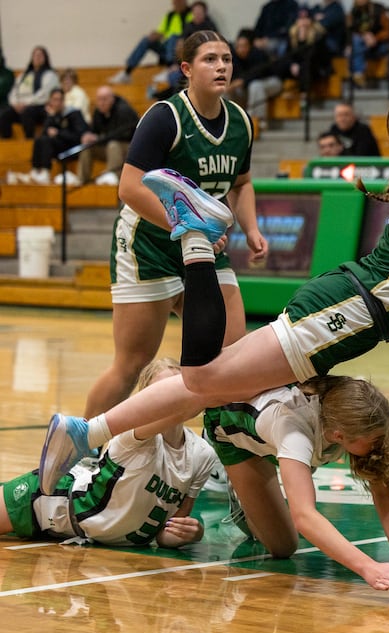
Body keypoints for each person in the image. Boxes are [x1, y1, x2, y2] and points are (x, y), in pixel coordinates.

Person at [39, 75, 389, 520]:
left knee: (212, 384)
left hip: (346, 305)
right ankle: (195, 238)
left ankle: (88, 432)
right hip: (347, 312)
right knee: (204, 378)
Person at [81, 30, 268, 421]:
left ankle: (222, 447)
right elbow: (129, 187)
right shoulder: (164, 118)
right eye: (210, 59)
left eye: (226, 59)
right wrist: (189, 228)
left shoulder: (241, 122)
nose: (221, 66)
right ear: (187, 69)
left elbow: (242, 182)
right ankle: (80, 444)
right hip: (149, 245)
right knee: (132, 363)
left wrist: (251, 229)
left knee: (233, 359)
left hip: (203, 247)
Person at [203, 374, 389, 591]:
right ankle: (239, 491)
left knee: (284, 543)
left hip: (274, 433)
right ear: (339, 436)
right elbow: (304, 516)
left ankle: (256, 490)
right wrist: (368, 567)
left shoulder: (357, 408)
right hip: (231, 429)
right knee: (282, 546)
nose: (382, 444)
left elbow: (383, 491)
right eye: (376, 439)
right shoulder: (293, 432)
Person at [1, 358, 215, 547]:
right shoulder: (133, 434)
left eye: (175, 388)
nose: (170, 397)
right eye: (161, 391)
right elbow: (179, 411)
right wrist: (208, 392)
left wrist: (192, 534)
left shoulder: (202, 454)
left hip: (79, 535)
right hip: (49, 502)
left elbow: (166, 534)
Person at [108, 0, 193, 84]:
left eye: (179, 2)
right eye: (174, 2)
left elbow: (191, 33)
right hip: (166, 48)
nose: (176, 4)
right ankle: (127, 72)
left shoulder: (190, 15)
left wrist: (180, 39)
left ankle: (170, 69)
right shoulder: (170, 15)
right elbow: (161, 31)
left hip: (181, 49)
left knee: (173, 37)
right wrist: (154, 35)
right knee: (146, 40)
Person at [77, 86, 139, 186]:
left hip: (130, 149)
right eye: (99, 99)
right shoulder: (98, 111)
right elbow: (94, 132)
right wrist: (88, 136)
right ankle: (82, 180)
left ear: (112, 99)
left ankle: (113, 179)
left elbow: (124, 134)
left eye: (104, 99)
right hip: (108, 146)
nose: (101, 103)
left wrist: (99, 138)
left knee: (113, 145)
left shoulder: (124, 110)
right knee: (87, 147)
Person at [27, 87, 89, 186]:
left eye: (60, 99)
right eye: (55, 100)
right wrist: (51, 117)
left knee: (47, 141)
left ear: (64, 100)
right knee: (39, 140)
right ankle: (35, 170)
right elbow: (45, 132)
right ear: (50, 101)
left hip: (72, 148)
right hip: (57, 148)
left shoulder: (74, 114)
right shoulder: (53, 115)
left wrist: (59, 133)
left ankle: (45, 172)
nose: (58, 103)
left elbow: (79, 136)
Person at [227, 28, 282, 130]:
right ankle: (231, 121)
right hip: (249, 86)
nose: (241, 49)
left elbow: (258, 73)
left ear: (250, 46)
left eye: (244, 46)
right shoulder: (233, 57)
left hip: (272, 81)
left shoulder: (258, 54)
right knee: (227, 89)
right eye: (238, 46)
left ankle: (257, 121)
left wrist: (242, 81)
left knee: (255, 86)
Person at [0, 45, 59, 139]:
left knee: (27, 112)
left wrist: (26, 103)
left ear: (45, 58)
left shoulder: (50, 75)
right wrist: (15, 103)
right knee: (4, 114)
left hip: (39, 108)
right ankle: (8, 141)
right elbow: (14, 91)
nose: (37, 57)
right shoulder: (24, 75)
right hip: (20, 106)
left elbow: (44, 95)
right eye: (35, 55)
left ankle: (29, 141)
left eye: (40, 55)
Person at [271, 6, 333, 93]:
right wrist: (292, 64)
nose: (303, 22)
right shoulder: (293, 35)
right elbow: (288, 55)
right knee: (279, 63)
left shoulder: (318, 35)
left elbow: (313, 56)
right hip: (297, 68)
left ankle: (304, 95)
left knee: (305, 65)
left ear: (311, 20)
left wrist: (303, 39)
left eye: (306, 18)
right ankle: (279, 88)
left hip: (316, 68)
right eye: (301, 19)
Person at [346, 0, 389, 87]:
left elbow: (388, 31)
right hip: (363, 46)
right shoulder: (354, 11)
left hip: (380, 45)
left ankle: (357, 75)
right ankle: (358, 76)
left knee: (353, 51)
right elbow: (351, 32)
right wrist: (362, 37)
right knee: (351, 48)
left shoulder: (378, 9)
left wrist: (375, 38)